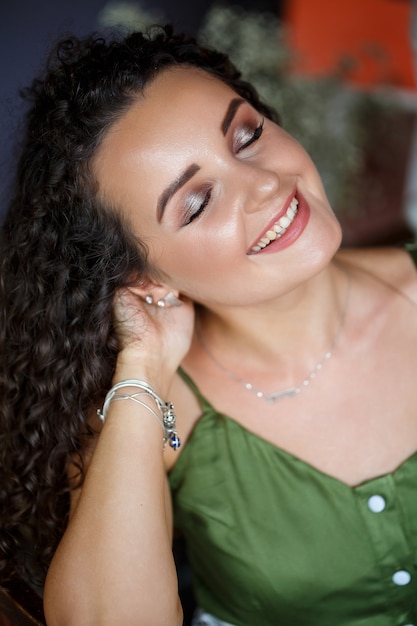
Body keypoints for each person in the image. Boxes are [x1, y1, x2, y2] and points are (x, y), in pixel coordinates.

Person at [1, 24, 417, 626]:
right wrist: (145, 361)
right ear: (144, 279)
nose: (266, 183)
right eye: (197, 202)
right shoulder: (153, 409)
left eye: (246, 135)